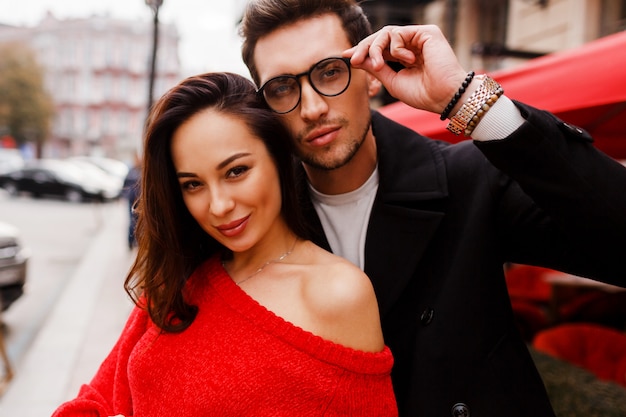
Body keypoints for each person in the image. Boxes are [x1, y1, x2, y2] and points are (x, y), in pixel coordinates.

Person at [238, 1, 626, 416]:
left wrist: (467, 100)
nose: (312, 107)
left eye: (330, 72)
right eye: (282, 87)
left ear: (371, 76)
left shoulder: (469, 179)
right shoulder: (259, 221)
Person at [51, 72, 398, 417]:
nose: (218, 206)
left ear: (277, 158)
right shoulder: (177, 278)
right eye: (192, 184)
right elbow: (95, 400)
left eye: (235, 171)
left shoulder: (336, 293)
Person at [121, 153, 141, 249]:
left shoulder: (141, 171)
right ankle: (130, 241)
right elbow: (124, 185)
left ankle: (137, 241)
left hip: (139, 200)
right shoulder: (131, 171)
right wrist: (124, 196)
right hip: (131, 199)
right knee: (132, 221)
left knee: (138, 221)